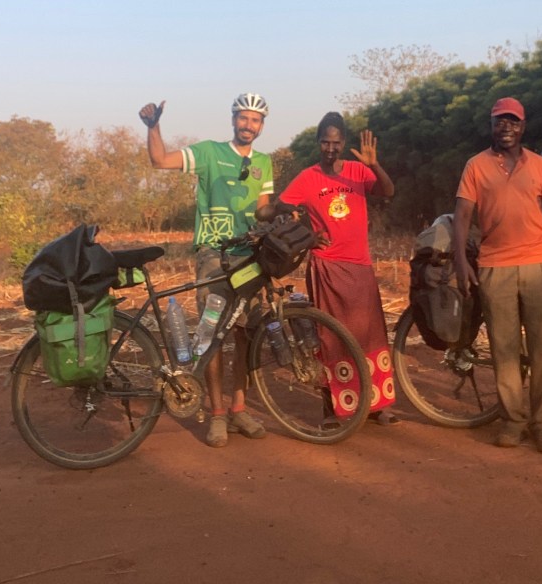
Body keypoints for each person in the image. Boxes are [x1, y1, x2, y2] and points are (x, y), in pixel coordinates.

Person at [139, 92, 274, 448]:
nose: (249, 125)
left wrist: (282, 214)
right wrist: (154, 127)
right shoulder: (208, 153)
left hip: (249, 257)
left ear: (262, 126)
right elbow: (159, 160)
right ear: (233, 119)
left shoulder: (264, 162)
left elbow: (263, 209)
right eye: (244, 118)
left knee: (245, 334)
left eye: (256, 120)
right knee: (212, 335)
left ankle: (239, 409)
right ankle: (216, 414)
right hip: (214, 255)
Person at [452, 98, 542, 453]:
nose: (506, 127)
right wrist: (461, 263)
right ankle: (513, 421)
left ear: (523, 126)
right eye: (500, 121)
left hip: (540, 263)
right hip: (495, 266)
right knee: (504, 348)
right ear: (492, 125)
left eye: (513, 121)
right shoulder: (476, 166)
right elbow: (463, 217)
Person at [278, 112, 398, 425]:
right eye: (324, 142)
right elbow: (281, 205)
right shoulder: (307, 177)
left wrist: (373, 164)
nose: (330, 148)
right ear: (319, 143)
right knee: (328, 337)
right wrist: (306, 235)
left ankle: (374, 405)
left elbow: (388, 191)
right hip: (326, 267)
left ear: (343, 143)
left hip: (359, 266)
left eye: (335, 142)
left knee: (368, 335)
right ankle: (331, 409)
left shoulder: (358, 171)